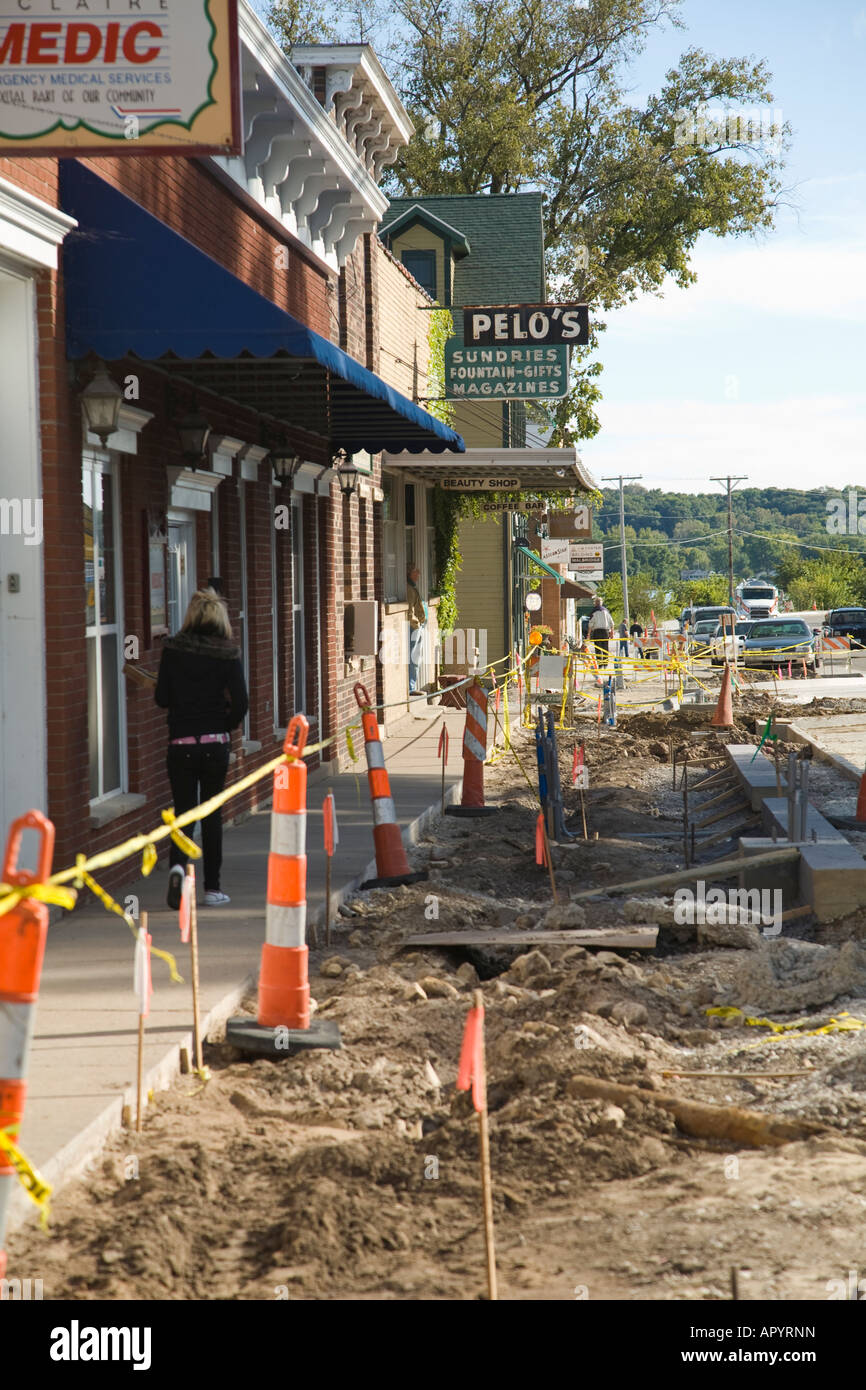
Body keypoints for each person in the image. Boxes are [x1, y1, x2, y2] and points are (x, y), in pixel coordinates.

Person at [155, 587, 248, 909]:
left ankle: (178, 867)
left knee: (183, 813)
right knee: (211, 815)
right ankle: (212, 888)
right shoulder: (227, 653)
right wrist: (224, 725)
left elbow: (162, 699)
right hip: (214, 746)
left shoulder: (172, 650)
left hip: (180, 744)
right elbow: (242, 702)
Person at [406, 564, 427, 694]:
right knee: (414, 659)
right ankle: (411, 688)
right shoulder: (409, 589)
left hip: (416, 627)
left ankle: (412, 686)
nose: (419, 573)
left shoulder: (412, 587)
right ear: (409, 573)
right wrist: (417, 623)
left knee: (416, 658)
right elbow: (409, 611)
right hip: (414, 628)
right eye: (415, 571)